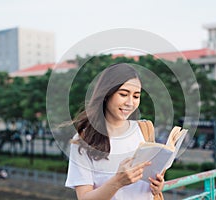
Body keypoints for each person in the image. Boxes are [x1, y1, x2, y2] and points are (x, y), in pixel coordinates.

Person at [65, 63, 164, 200]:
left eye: (136, 96)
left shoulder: (144, 130)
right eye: (123, 94)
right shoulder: (83, 140)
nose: (130, 103)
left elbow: (149, 183)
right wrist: (117, 182)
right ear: (107, 94)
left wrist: (157, 186)